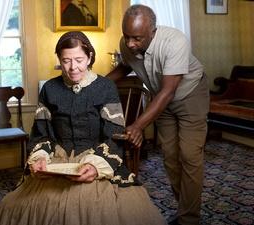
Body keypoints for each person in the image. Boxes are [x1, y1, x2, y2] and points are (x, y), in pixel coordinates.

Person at [0, 31, 166, 225]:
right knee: (19, 205)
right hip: (57, 162)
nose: (73, 67)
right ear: (59, 59)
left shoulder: (106, 87)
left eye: (79, 59)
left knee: (96, 205)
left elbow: (113, 135)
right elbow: (41, 134)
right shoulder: (49, 88)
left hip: (96, 159)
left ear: (90, 57)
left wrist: (95, 166)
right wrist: (39, 158)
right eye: (66, 61)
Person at [106, 5, 209, 225]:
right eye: (127, 37)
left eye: (137, 38)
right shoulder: (127, 44)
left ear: (153, 31)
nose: (130, 44)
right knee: (171, 159)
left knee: (189, 156)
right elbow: (125, 66)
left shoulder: (175, 41)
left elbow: (168, 91)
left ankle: (189, 220)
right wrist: (99, 84)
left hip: (190, 95)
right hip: (162, 100)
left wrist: (137, 126)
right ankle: (186, 210)